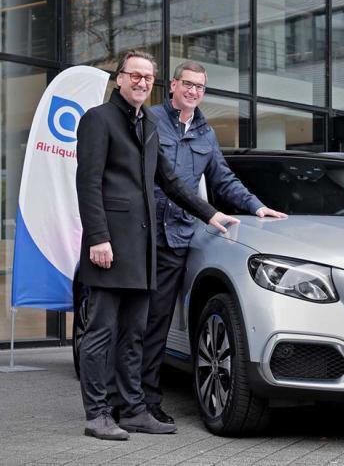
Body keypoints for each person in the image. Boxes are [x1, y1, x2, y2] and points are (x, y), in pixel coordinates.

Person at [76, 50, 239, 441]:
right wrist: (98, 237)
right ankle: (98, 414)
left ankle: (132, 410)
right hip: (109, 246)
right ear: (120, 78)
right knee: (101, 333)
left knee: (135, 334)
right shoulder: (98, 119)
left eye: (147, 78)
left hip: (143, 247)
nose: (141, 82)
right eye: (134, 75)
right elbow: (88, 183)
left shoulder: (147, 122)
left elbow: (170, 181)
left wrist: (209, 214)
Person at [141, 61, 286, 424]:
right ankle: (122, 397)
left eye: (200, 87)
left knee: (157, 322)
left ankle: (146, 401)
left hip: (177, 237)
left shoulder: (205, 133)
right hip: (142, 232)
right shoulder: (150, 120)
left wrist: (257, 206)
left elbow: (223, 179)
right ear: (173, 85)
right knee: (131, 318)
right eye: (188, 84)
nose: (193, 91)